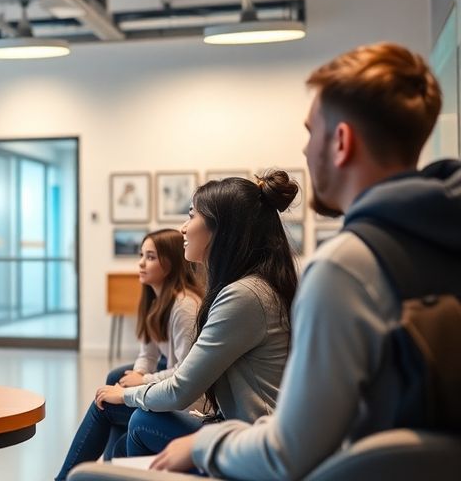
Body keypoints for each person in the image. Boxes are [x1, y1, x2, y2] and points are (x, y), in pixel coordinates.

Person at [150, 43, 461, 479]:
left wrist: (206, 442)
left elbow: (286, 454)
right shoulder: (444, 242)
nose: (306, 149)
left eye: (310, 131)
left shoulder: (345, 269)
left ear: (341, 142)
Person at [103, 171, 298, 462]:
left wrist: (127, 395)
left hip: (255, 444)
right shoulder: (253, 287)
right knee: (122, 443)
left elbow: (181, 389)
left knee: (140, 420)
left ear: (220, 230)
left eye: (192, 216)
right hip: (245, 429)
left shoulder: (245, 295)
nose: (183, 227)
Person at [55, 229, 203, 480]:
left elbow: (184, 373)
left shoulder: (185, 307)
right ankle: (114, 463)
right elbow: (148, 354)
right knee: (118, 377)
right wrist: (138, 373)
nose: (141, 263)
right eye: (141, 255)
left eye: (150, 257)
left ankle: (68, 477)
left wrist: (141, 381)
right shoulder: (155, 300)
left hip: (189, 402)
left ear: (170, 263)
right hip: (173, 382)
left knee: (103, 405)